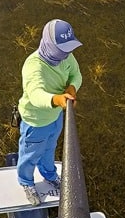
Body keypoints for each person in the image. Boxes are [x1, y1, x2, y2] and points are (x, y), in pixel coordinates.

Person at [16, 18, 83, 205]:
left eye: (68, 49)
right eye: (61, 50)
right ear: (48, 44)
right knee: (30, 154)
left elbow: (76, 75)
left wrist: (72, 88)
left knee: (49, 148)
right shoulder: (33, 66)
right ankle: (26, 181)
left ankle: (49, 174)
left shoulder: (67, 55)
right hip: (36, 121)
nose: (66, 54)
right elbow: (35, 94)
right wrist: (57, 100)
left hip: (56, 117)